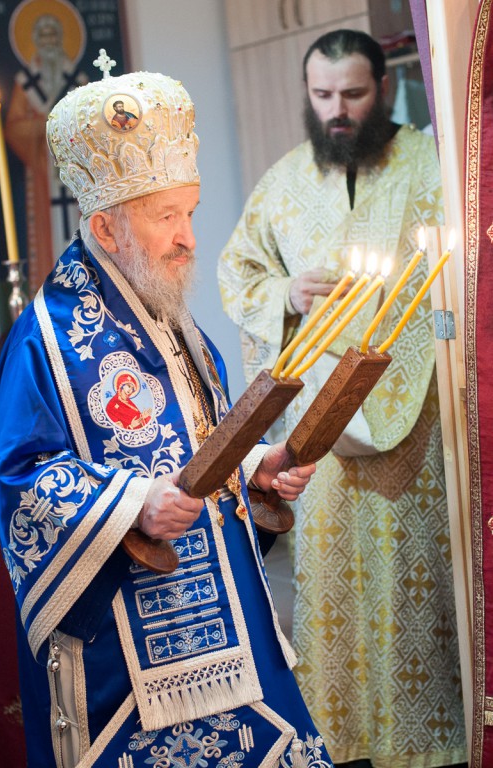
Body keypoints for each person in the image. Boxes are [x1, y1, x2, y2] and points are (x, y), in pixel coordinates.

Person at [0, 60, 334, 768]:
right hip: (126, 658)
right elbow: (23, 481)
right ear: (106, 227)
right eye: (165, 217)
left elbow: (199, 447)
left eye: (190, 213)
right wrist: (134, 503)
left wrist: (254, 470)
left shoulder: (171, 318)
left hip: (232, 632)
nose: (189, 238)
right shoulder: (45, 340)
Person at [218, 29, 467, 768]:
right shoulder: (283, 179)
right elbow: (238, 273)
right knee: (334, 593)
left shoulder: (432, 165)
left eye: (353, 94)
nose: (337, 110)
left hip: (418, 426)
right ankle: (344, 742)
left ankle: (436, 744)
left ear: (383, 90)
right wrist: (284, 293)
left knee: (419, 589)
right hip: (320, 438)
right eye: (322, 94)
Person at [5, 7, 87, 294]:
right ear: (36, 41)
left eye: (54, 35)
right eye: (44, 36)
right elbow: (14, 127)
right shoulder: (26, 82)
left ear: (62, 38)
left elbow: (90, 122)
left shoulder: (77, 79)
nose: (49, 41)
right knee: (48, 233)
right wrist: (43, 125)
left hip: (76, 175)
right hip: (44, 175)